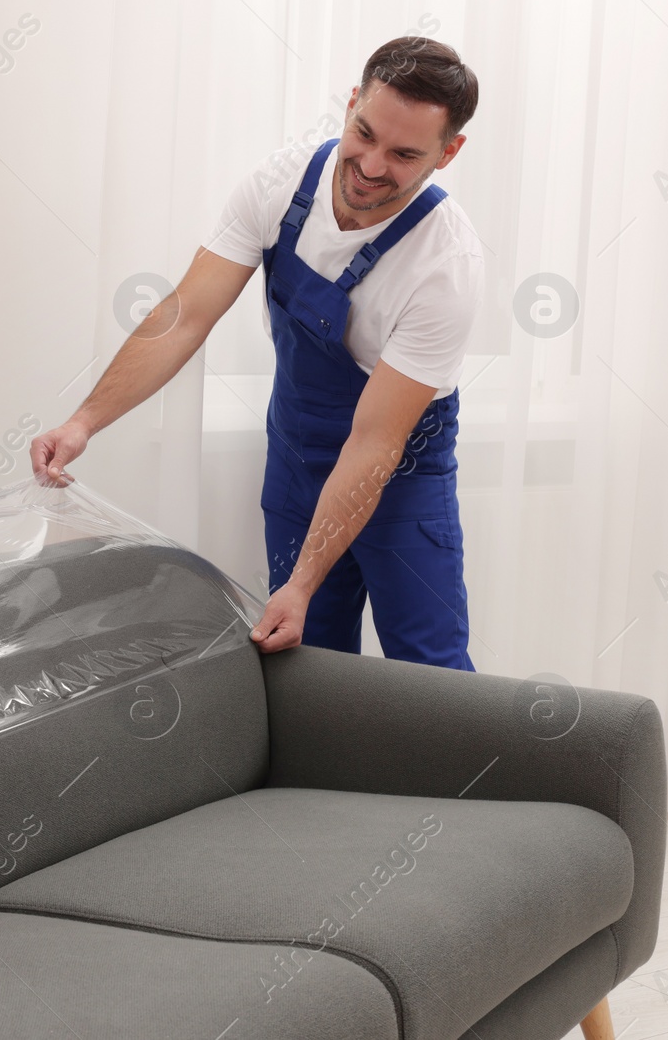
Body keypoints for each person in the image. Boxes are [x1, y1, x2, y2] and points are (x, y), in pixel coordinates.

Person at [31, 36, 484, 671]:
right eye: (364, 133)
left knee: (431, 669)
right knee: (312, 663)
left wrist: (301, 583)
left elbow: (375, 443)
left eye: (405, 154)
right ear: (352, 103)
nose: (373, 166)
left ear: (448, 151)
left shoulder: (444, 266)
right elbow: (184, 318)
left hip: (400, 469)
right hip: (298, 455)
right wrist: (84, 422)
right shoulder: (281, 181)